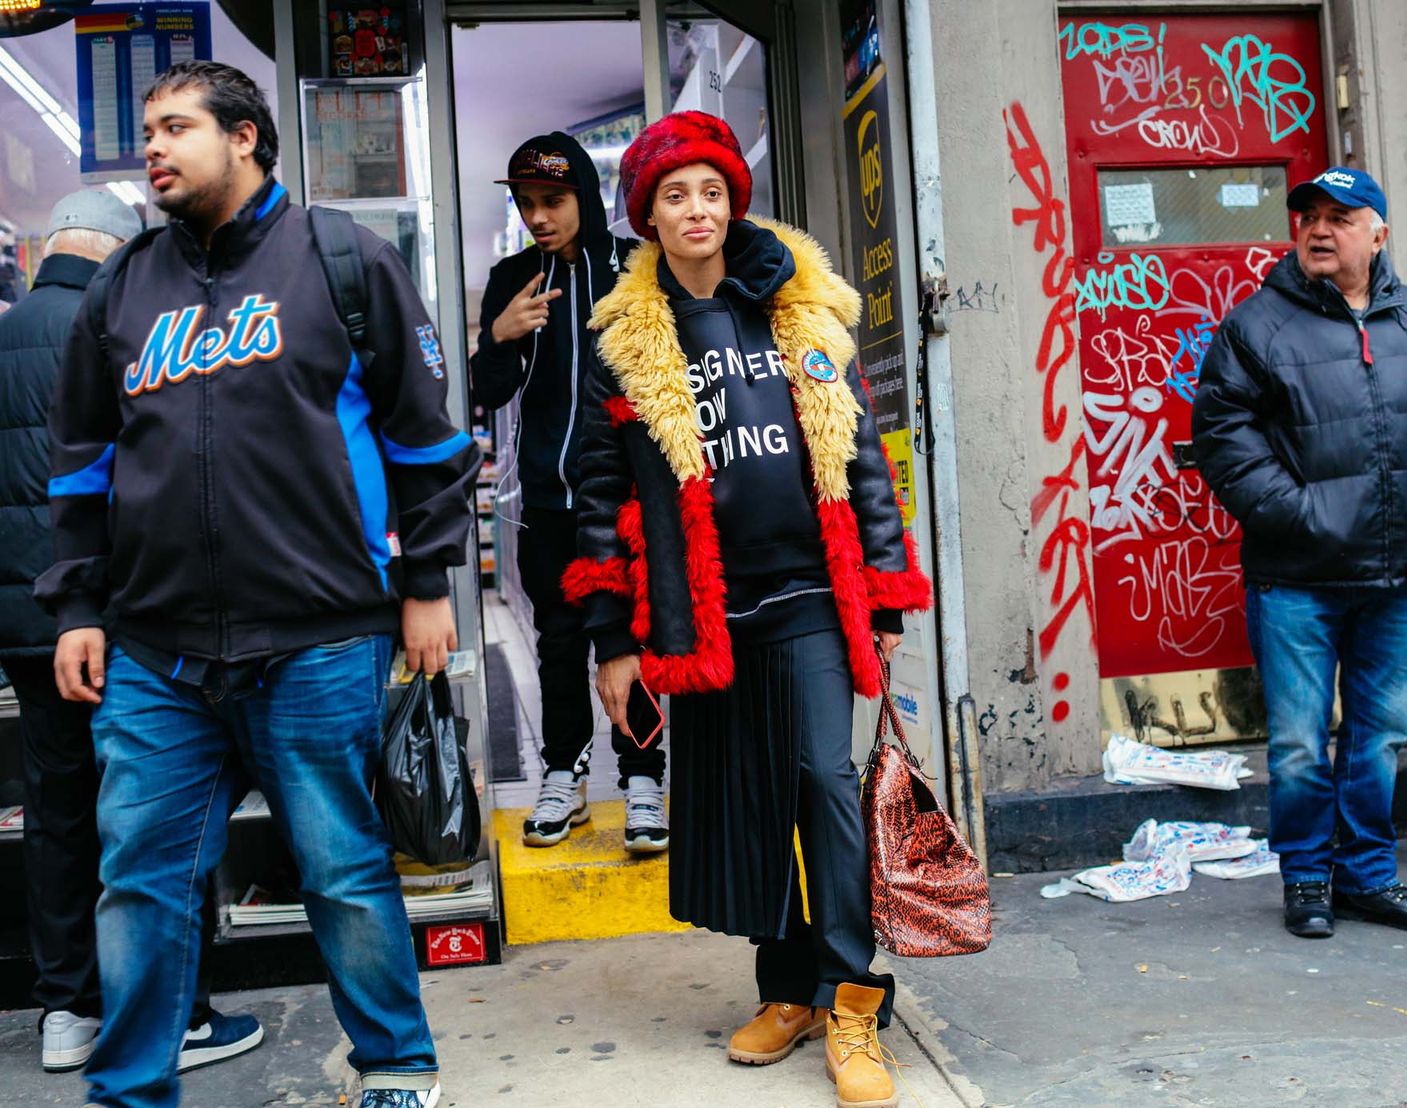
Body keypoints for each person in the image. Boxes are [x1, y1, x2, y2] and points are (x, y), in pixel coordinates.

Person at [37, 62, 478, 1108]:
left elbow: (426, 439)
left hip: (321, 635)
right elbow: (81, 466)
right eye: (148, 128)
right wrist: (77, 605)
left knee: (340, 871)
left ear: (244, 137)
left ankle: (397, 1069)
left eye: (176, 126)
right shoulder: (122, 284)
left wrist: (425, 582)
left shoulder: (341, 259)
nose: (152, 146)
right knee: (139, 883)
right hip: (154, 649)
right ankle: (133, 1086)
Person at [565, 111, 930, 1107]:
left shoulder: (798, 309)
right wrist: (612, 639)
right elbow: (593, 501)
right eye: (676, 194)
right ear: (647, 213)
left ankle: (854, 998)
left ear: (735, 202)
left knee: (821, 778)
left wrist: (888, 589)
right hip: (702, 609)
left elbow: (858, 455)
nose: (697, 209)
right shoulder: (623, 342)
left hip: (812, 590)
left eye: (712, 191)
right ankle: (788, 988)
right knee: (755, 799)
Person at [0, 189, 263, 1076]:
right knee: (156, 818)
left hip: (27, 625)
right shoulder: (130, 330)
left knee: (58, 815)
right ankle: (174, 1014)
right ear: (118, 253)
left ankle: (67, 1012)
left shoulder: (0, 333)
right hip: (128, 619)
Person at [1193, 166, 1407, 940]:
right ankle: (1309, 878)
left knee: (1378, 735)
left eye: (1341, 217)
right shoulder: (1258, 325)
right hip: (1296, 575)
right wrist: (1299, 515)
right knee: (1296, 742)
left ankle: (1368, 877)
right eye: (1309, 216)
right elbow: (1221, 436)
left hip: (1396, 574)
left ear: (1378, 233)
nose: (1320, 230)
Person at [468, 133, 665, 853]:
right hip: (545, 502)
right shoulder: (513, 277)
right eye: (526, 204)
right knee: (558, 644)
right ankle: (564, 775)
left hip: (631, 502)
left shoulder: (639, 270)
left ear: (585, 192)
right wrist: (499, 334)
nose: (539, 217)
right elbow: (485, 392)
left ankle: (644, 774)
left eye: (552, 200)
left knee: (635, 638)